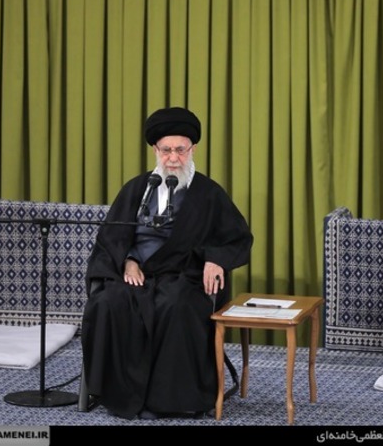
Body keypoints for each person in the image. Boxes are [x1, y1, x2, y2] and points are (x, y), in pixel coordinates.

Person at [81, 106, 254, 420]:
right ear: (155, 151)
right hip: (136, 275)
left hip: (184, 275)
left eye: (180, 150)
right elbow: (111, 238)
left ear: (193, 149)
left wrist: (216, 260)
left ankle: (173, 400)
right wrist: (128, 261)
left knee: (175, 304)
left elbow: (238, 238)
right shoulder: (136, 189)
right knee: (108, 302)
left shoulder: (208, 194)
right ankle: (117, 393)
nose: (173, 158)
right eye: (166, 150)